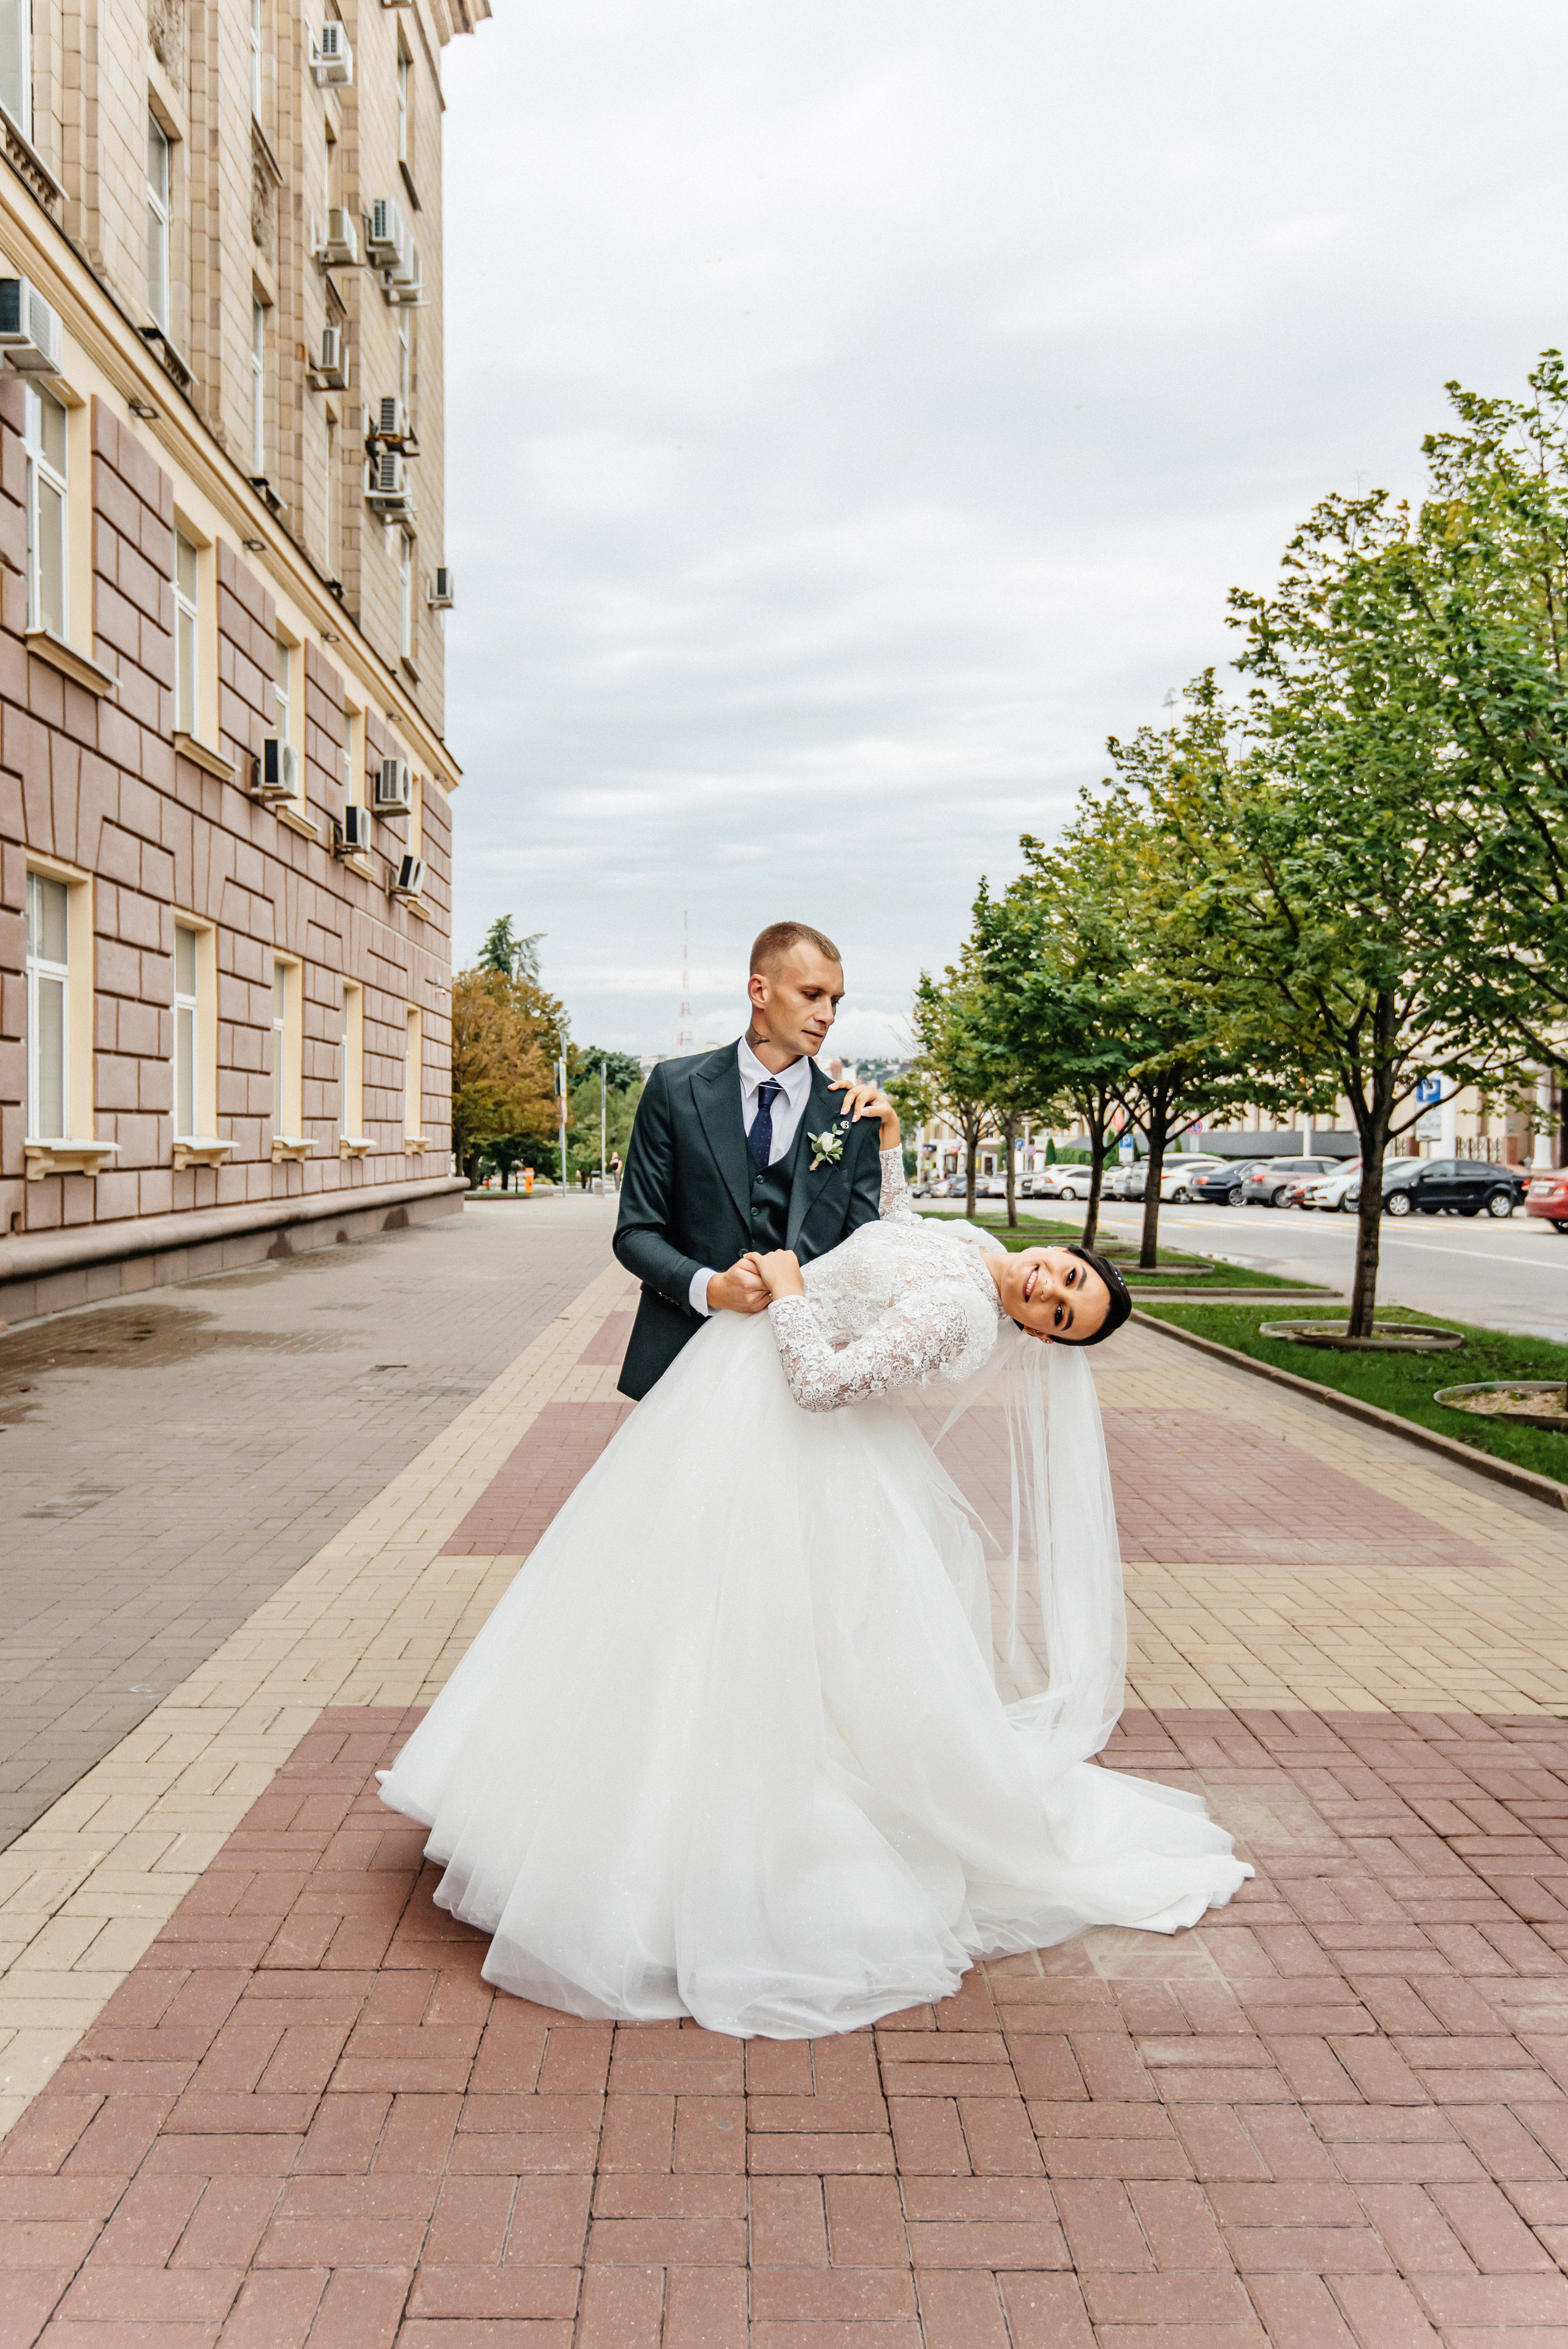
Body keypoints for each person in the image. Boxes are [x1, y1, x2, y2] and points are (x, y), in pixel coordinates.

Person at [377, 1020, 1250, 2040]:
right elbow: (904, 1238)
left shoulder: (964, 1317)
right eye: (1067, 1276)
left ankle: (673, 1860)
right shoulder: (977, 1256)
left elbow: (827, 1382)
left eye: (1061, 1314)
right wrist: (893, 1146)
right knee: (669, 1605)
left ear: (1040, 1337)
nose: (1048, 1290)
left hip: (779, 1422)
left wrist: (791, 1291)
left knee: (717, 1628)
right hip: (736, 1403)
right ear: (1063, 1253)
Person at [610, 921, 887, 1401]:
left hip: (797, 1378)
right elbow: (635, 1233)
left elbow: (865, 1255)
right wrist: (712, 1287)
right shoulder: (675, 1089)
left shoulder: (852, 1116)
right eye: (811, 994)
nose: (827, 1015)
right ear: (760, 990)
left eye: (835, 1001)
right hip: (681, 1364)